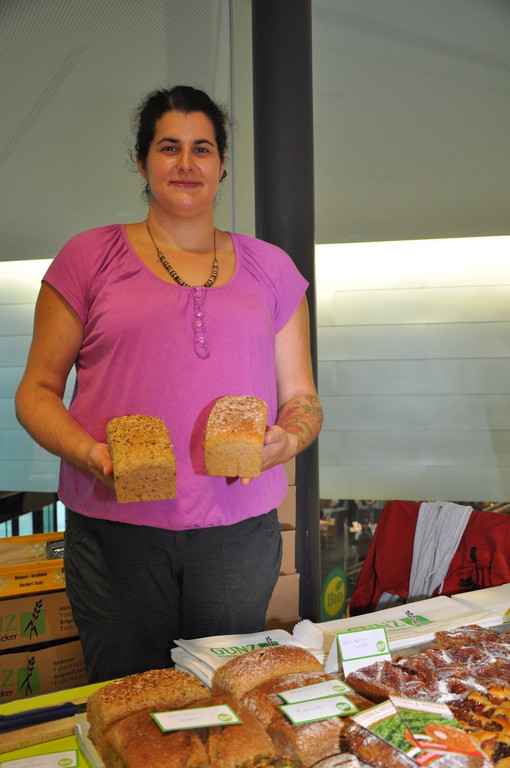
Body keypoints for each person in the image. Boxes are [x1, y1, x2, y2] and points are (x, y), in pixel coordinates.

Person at [15, 85, 323, 683]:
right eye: (168, 147)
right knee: (129, 696)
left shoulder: (272, 269)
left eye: (202, 148)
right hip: (116, 530)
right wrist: (90, 455)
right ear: (141, 161)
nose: (186, 163)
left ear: (222, 163)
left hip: (237, 536)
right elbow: (37, 391)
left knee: (225, 698)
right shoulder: (89, 257)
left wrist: (287, 440)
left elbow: (302, 398)